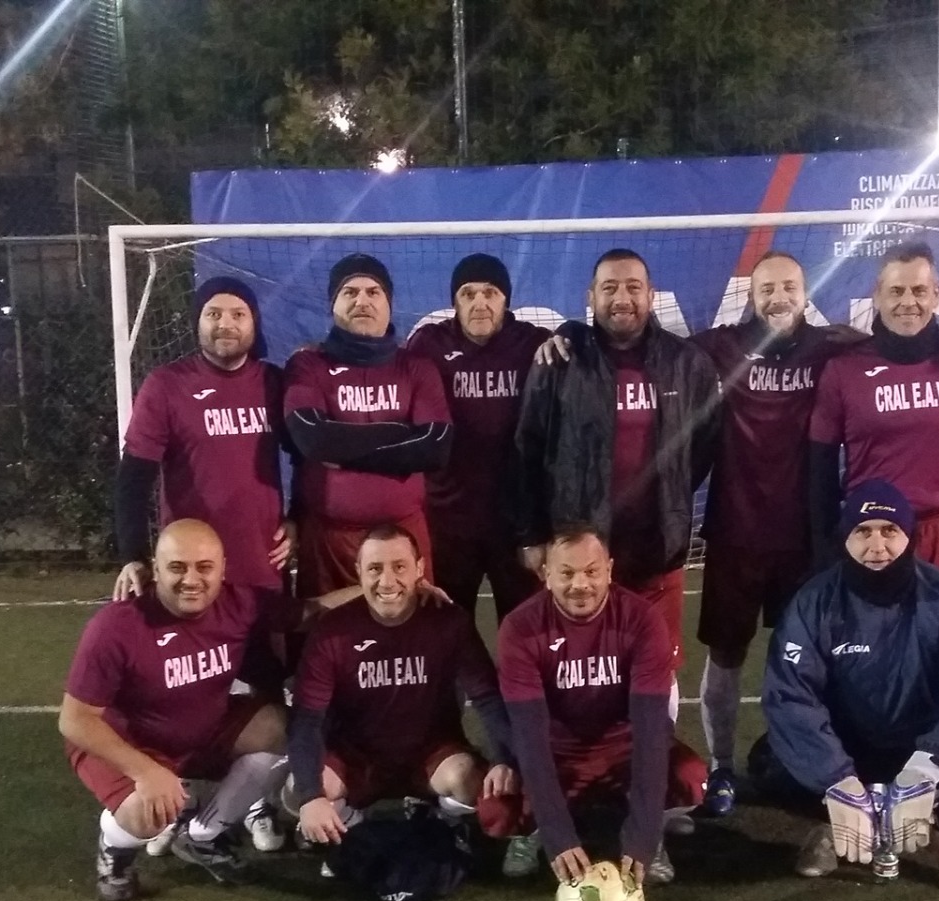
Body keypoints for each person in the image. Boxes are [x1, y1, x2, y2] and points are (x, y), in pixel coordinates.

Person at [60, 520, 356, 901]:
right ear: (155, 568)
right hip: (129, 744)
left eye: (204, 567)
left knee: (283, 728)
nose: (192, 580)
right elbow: (75, 720)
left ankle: (204, 833)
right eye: (177, 567)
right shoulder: (117, 626)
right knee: (149, 812)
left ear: (222, 569)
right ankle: (114, 851)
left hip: (203, 730)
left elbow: (311, 612)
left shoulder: (238, 602)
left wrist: (380, 587)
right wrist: (145, 771)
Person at [760, 480, 939, 894]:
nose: (877, 545)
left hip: (924, 749)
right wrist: (835, 779)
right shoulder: (813, 601)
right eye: (863, 532)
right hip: (848, 750)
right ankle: (837, 821)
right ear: (845, 538)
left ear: (909, 535)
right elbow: (790, 697)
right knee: (769, 764)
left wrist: (930, 764)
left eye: (889, 530)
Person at [684, 250, 866, 818]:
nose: (778, 296)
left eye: (788, 286)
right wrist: (573, 334)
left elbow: (897, 349)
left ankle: (809, 762)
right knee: (726, 653)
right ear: (751, 296)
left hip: (806, 541)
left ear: (805, 292)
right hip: (734, 533)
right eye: (767, 288)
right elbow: (646, 347)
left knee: (805, 660)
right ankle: (721, 767)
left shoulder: (831, 346)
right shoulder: (721, 346)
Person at [511, 249, 721, 718]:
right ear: (590, 297)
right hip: (580, 549)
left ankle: (654, 755)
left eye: (632, 287)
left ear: (651, 295)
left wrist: (668, 498)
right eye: (609, 288)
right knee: (580, 667)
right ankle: (583, 756)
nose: (621, 298)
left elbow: (703, 445)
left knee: (656, 665)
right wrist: (531, 534)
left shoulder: (687, 363)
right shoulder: (561, 360)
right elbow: (528, 449)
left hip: (655, 546)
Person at [481, 525, 708, 886]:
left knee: (691, 779)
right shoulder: (520, 628)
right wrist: (557, 834)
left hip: (623, 748)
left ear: (610, 570)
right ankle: (535, 830)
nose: (580, 584)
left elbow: (651, 731)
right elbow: (530, 738)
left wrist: (644, 832)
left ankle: (650, 826)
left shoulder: (642, 619)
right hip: (557, 752)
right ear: (546, 574)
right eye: (567, 573)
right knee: (495, 811)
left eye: (591, 571)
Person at [284, 525, 518, 861]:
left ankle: (443, 819)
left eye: (399, 567)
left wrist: (505, 759)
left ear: (420, 569)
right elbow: (307, 718)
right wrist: (311, 796)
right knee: (297, 789)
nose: (387, 581)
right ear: (358, 572)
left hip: (430, 754)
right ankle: (350, 824)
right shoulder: (333, 630)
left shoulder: (448, 621)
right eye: (375, 569)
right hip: (356, 758)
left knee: (475, 782)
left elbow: (487, 698)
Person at [808, 243, 939, 578]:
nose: (908, 302)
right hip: (871, 531)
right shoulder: (843, 369)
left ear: (937, 295)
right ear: (877, 295)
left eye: (919, 290)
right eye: (896, 291)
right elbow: (819, 467)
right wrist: (824, 544)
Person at [283, 253, 454, 598]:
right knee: (325, 630)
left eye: (373, 292)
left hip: (404, 539)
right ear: (333, 305)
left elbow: (435, 447)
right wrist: (400, 435)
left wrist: (340, 449)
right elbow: (312, 439)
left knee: (410, 630)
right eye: (350, 292)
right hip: (329, 542)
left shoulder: (417, 367)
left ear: (389, 304)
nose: (362, 301)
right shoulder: (307, 365)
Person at [112, 276, 291, 599]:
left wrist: (299, 518)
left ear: (254, 323)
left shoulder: (275, 383)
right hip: (192, 577)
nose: (225, 324)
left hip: (264, 569)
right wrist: (133, 555)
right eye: (214, 314)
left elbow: (308, 458)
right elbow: (134, 478)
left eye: (238, 314)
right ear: (198, 321)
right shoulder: (166, 386)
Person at [402, 253, 552, 620]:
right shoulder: (429, 344)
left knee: (523, 626)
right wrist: (320, 353)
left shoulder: (533, 342)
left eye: (490, 293)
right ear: (454, 302)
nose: (479, 303)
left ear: (506, 300)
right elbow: (382, 366)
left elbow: (587, 350)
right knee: (446, 627)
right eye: (468, 294)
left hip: (514, 523)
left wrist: (572, 334)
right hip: (449, 522)